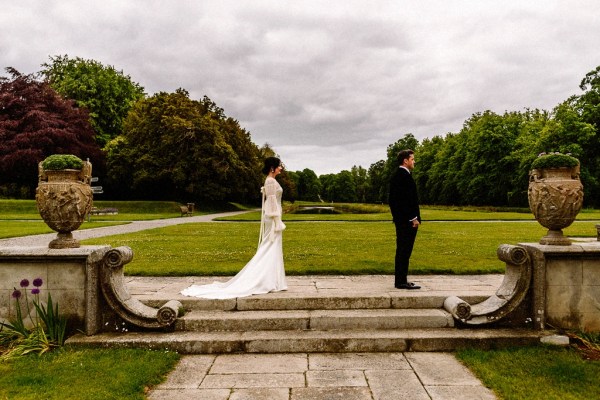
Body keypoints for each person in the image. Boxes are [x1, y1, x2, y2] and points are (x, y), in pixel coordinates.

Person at [180, 157, 288, 299]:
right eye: (279, 166)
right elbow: (272, 202)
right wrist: (276, 220)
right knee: (269, 246)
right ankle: (264, 279)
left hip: (274, 217)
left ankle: (274, 280)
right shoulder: (270, 181)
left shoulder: (271, 181)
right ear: (272, 167)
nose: (281, 168)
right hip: (273, 218)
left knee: (273, 246)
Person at [388, 149, 421, 289]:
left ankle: (401, 279)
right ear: (405, 161)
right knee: (404, 250)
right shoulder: (403, 177)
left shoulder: (399, 176)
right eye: (412, 159)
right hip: (407, 221)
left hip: (402, 220)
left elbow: (394, 201)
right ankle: (401, 281)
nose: (414, 162)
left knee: (403, 250)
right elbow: (405, 201)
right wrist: (413, 218)